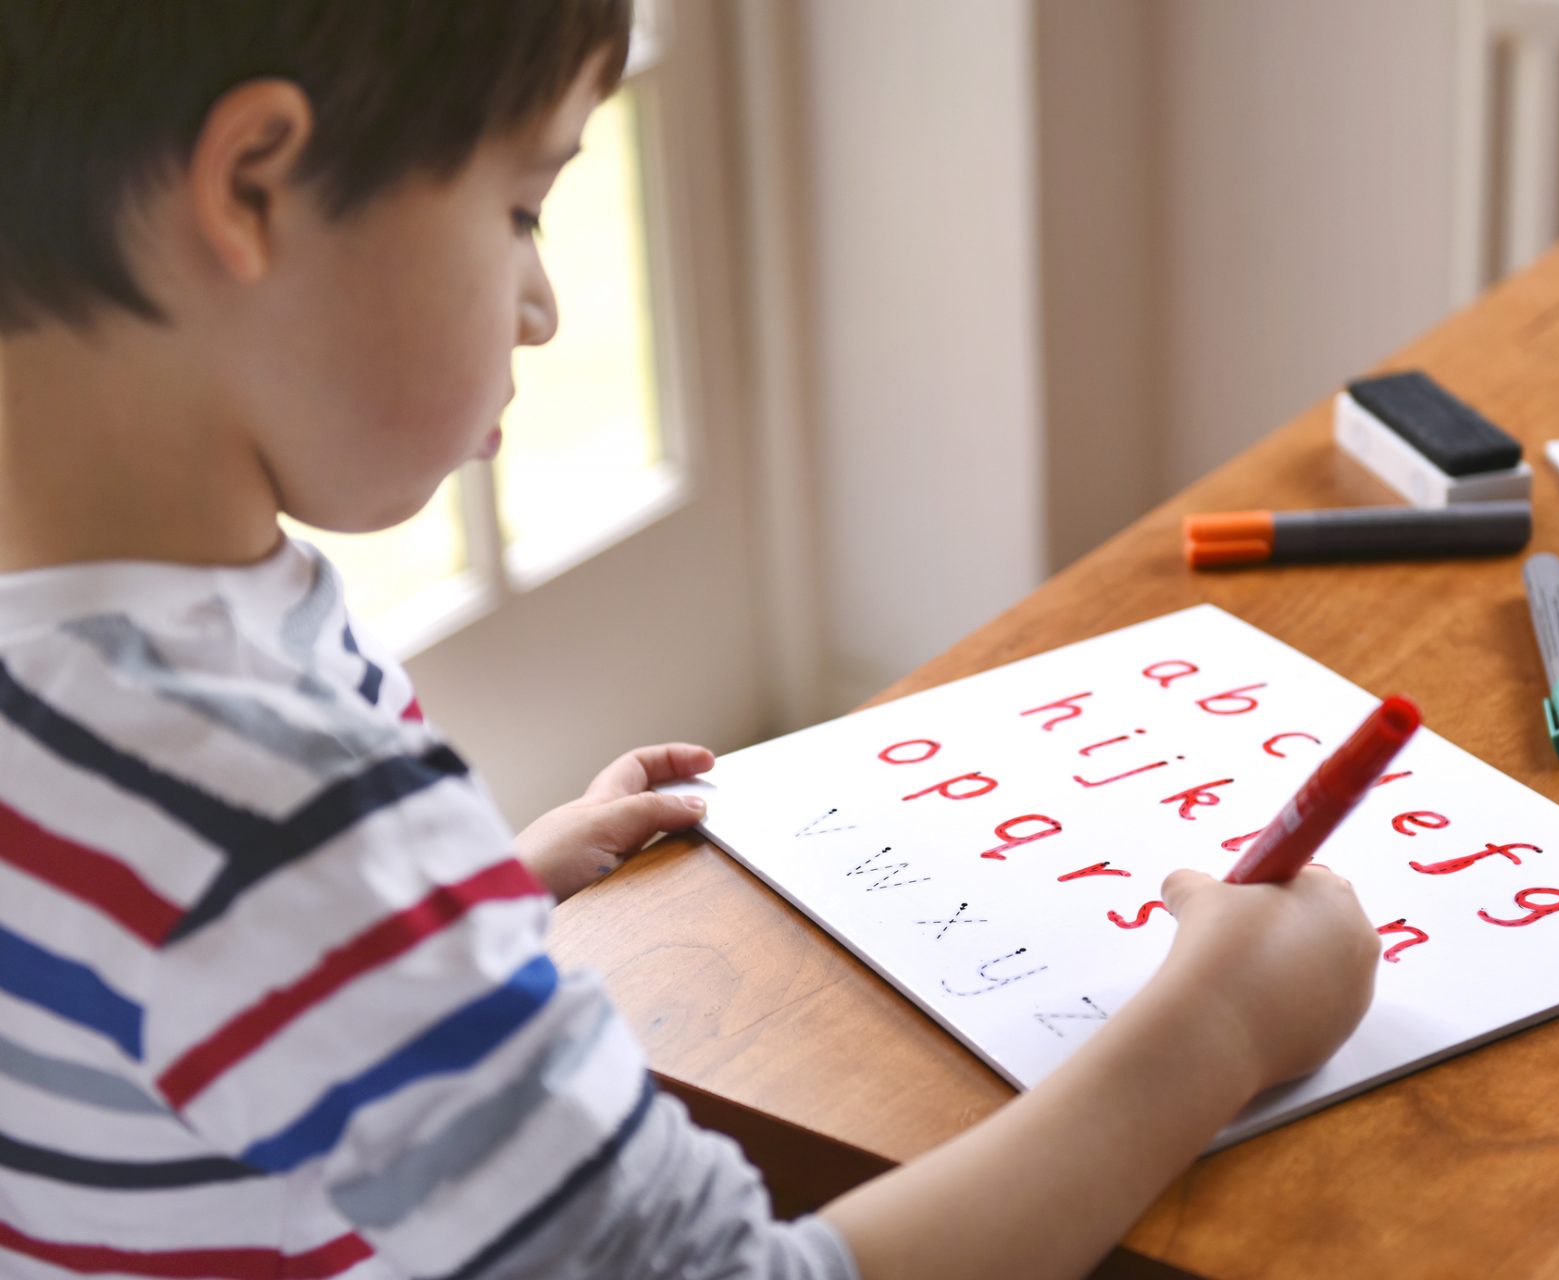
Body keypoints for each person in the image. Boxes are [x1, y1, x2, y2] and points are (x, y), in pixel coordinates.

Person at [0, 4, 1381, 1277]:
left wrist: (466, 903)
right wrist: (1212, 1032)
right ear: (252, 188)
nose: (542, 306)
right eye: (520, 208)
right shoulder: (278, 819)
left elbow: (162, 1013)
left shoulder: (142, 662)